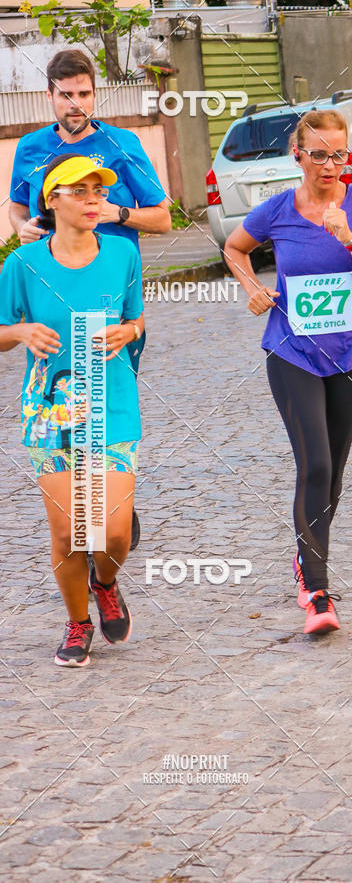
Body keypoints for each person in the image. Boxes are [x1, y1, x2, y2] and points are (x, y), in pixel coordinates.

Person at [224, 109, 352, 635]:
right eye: (318, 153)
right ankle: (317, 593)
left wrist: (351, 240)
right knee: (316, 465)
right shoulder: (277, 210)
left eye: (339, 154)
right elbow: (235, 248)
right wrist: (252, 288)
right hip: (291, 352)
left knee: (334, 473)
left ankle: (307, 559)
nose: (330, 164)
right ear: (296, 155)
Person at [9, 48, 170, 549]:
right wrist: (25, 229)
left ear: (94, 95)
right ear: (49, 96)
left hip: (110, 288)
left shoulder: (122, 143)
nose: (76, 104)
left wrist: (110, 213)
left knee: (104, 400)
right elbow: (16, 212)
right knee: (64, 394)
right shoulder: (31, 148)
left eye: (84, 94)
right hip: (54, 286)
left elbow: (163, 217)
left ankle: (112, 502)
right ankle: (92, 512)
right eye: (66, 95)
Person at [0, 155, 145, 667]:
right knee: (68, 531)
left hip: (112, 401)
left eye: (97, 191)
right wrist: (18, 332)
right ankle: (78, 621)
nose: (92, 200)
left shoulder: (124, 255)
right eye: (78, 191)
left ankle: (105, 581)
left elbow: (137, 320)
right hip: (50, 409)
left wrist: (130, 331)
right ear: (51, 200)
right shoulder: (22, 264)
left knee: (113, 531)